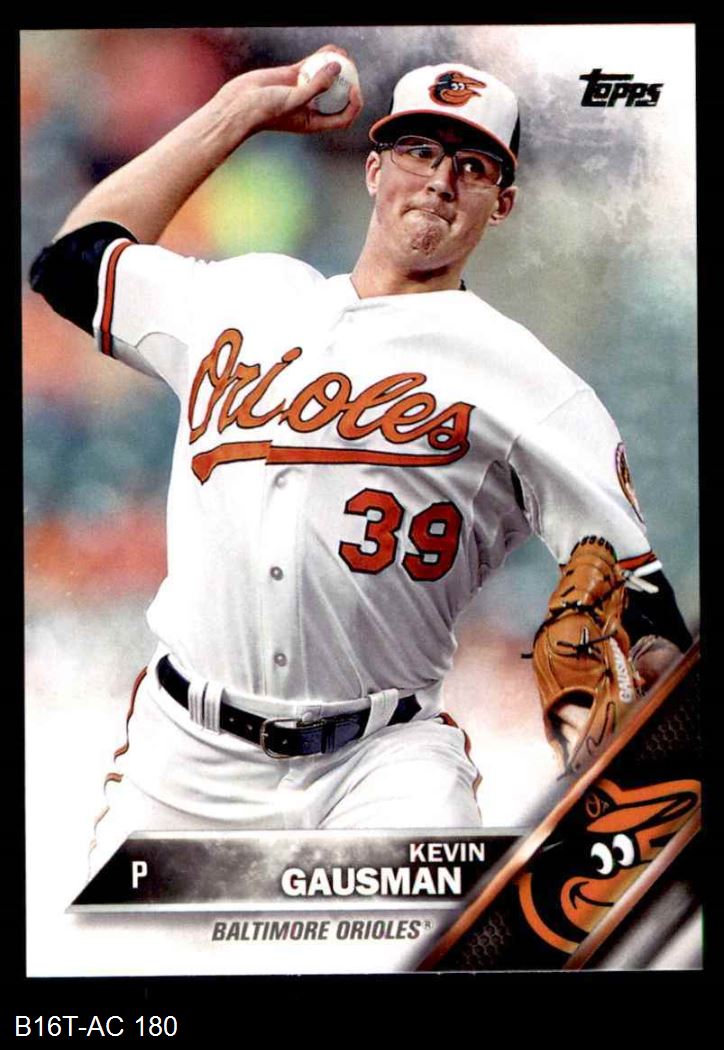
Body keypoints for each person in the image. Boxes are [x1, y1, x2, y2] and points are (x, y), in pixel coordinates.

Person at [29, 46, 691, 875]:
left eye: (472, 164)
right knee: (118, 959)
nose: (440, 179)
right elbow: (70, 262)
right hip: (186, 757)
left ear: (502, 202)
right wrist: (236, 113)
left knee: (438, 940)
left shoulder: (535, 385)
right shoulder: (243, 296)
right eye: (419, 150)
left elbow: (647, 616)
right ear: (375, 170)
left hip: (383, 763)